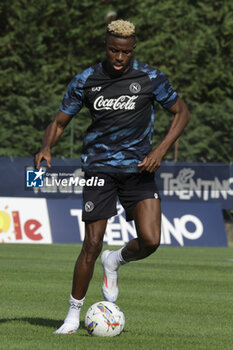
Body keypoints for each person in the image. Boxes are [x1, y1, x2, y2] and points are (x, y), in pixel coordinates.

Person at [34, 19, 190, 334]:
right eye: (113, 51)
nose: (119, 58)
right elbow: (61, 120)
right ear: (106, 46)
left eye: (125, 53)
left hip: (139, 169)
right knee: (91, 243)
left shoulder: (150, 77)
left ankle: (115, 260)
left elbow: (181, 112)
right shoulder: (86, 80)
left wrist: (159, 151)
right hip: (99, 169)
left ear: (133, 49)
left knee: (151, 241)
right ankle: (72, 316)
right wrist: (46, 146)